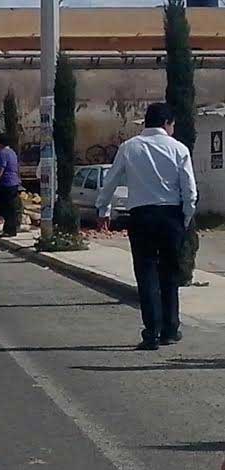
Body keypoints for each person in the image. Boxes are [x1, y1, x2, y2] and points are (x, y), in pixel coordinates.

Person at [96, 103, 198, 351]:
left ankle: (151, 332)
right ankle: (171, 329)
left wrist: (103, 209)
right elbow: (190, 191)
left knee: (146, 274)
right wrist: (185, 219)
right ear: (167, 123)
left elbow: (111, 180)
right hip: (171, 216)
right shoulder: (179, 149)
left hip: (141, 216)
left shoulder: (129, 148)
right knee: (170, 274)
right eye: (172, 125)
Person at [0, 133, 21, 237]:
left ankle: (10, 230)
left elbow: (1, 169)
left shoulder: (2, 153)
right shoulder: (12, 152)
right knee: (10, 207)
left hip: (6, 183)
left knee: (6, 207)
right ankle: (8, 229)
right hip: (13, 183)